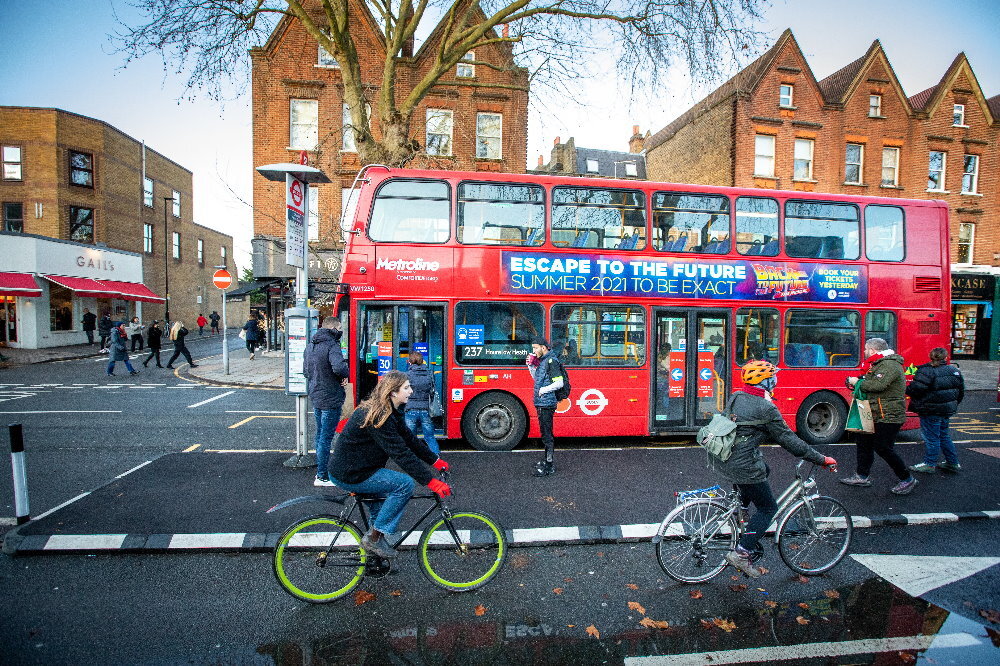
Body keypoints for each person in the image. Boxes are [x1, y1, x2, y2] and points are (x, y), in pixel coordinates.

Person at [710, 360, 837, 578]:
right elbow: (789, 440)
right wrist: (821, 458)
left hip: (723, 458)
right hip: (743, 465)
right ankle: (742, 552)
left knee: (765, 470)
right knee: (769, 508)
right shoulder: (766, 408)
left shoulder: (737, 396)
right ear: (766, 381)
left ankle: (742, 510)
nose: (776, 380)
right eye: (773, 377)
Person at [328, 370, 451, 559]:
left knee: (380, 512)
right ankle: (374, 539)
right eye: (406, 388)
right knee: (404, 484)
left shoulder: (391, 410)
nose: (411, 391)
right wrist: (430, 482)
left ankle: (374, 558)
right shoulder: (379, 417)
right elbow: (401, 453)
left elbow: (409, 439)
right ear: (393, 392)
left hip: (360, 468)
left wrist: (435, 460)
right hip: (352, 473)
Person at [840, 338, 917, 494]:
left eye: (866, 349)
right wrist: (857, 381)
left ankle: (907, 479)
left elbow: (877, 385)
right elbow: (870, 381)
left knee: (883, 448)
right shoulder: (878, 364)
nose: (864, 352)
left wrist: (857, 382)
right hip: (874, 412)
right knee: (863, 442)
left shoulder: (890, 365)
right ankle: (862, 476)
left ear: (873, 350)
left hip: (888, 415)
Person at [303, 316, 349, 487]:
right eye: (340, 327)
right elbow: (339, 367)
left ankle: (321, 471)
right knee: (326, 437)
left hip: (316, 395)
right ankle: (322, 476)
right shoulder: (332, 345)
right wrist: (344, 376)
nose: (341, 330)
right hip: (330, 396)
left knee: (320, 435)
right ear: (334, 328)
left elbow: (306, 371)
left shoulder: (311, 346)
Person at [906, 347, 965, 474]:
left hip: (930, 409)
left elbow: (915, 389)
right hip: (946, 410)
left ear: (930, 356)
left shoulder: (926, 371)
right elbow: (960, 392)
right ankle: (952, 462)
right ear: (946, 357)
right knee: (944, 435)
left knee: (931, 438)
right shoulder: (954, 370)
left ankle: (929, 463)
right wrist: (952, 404)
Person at [526, 336, 564, 477]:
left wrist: (543, 390)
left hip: (547, 403)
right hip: (541, 402)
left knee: (547, 435)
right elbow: (537, 379)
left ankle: (549, 465)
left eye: (536, 348)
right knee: (544, 434)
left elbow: (559, 383)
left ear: (543, 347)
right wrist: (530, 366)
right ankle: (546, 461)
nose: (534, 351)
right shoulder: (543, 361)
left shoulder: (551, 361)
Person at [404, 350, 440, 456]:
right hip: (426, 409)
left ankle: (413, 458)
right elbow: (432, 391)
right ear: (422, 361)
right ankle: (436, 457)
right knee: (429, 437)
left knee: (411, 438)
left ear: (410, 362)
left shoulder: (407, 375)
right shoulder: (429, 374)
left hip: (410, 409)